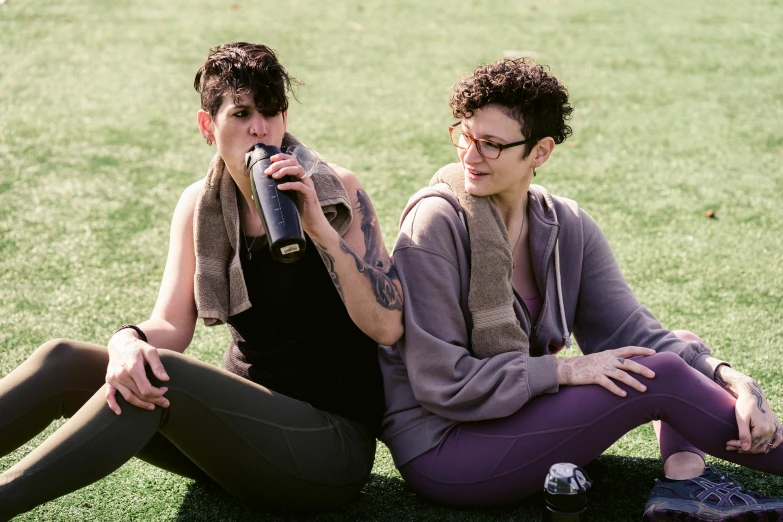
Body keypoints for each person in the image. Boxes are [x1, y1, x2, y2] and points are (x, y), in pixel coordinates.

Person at [0, 42, 403, 521]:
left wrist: (318, 228)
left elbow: (388, 327)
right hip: (234, 439)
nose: (260, 128)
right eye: (242, 113)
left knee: (158, 379)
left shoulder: (338, 190)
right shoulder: (201, 205)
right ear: (207, 126)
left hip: (329, 449)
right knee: (65, 360)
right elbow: (171, 324)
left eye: (271, 112)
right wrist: (126, 341)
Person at [378, 57, 783, 521]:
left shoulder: (565, 224)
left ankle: (686, 482)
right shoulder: (435, 224)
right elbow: (442, 382)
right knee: (664, 375)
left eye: (491, 145)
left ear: (541, 151)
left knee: (679, 351)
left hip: (517, 419)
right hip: (445, 448)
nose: (470, 156)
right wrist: (564, 372)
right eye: (465, 136)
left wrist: (737, 381)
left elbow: (633, 332)